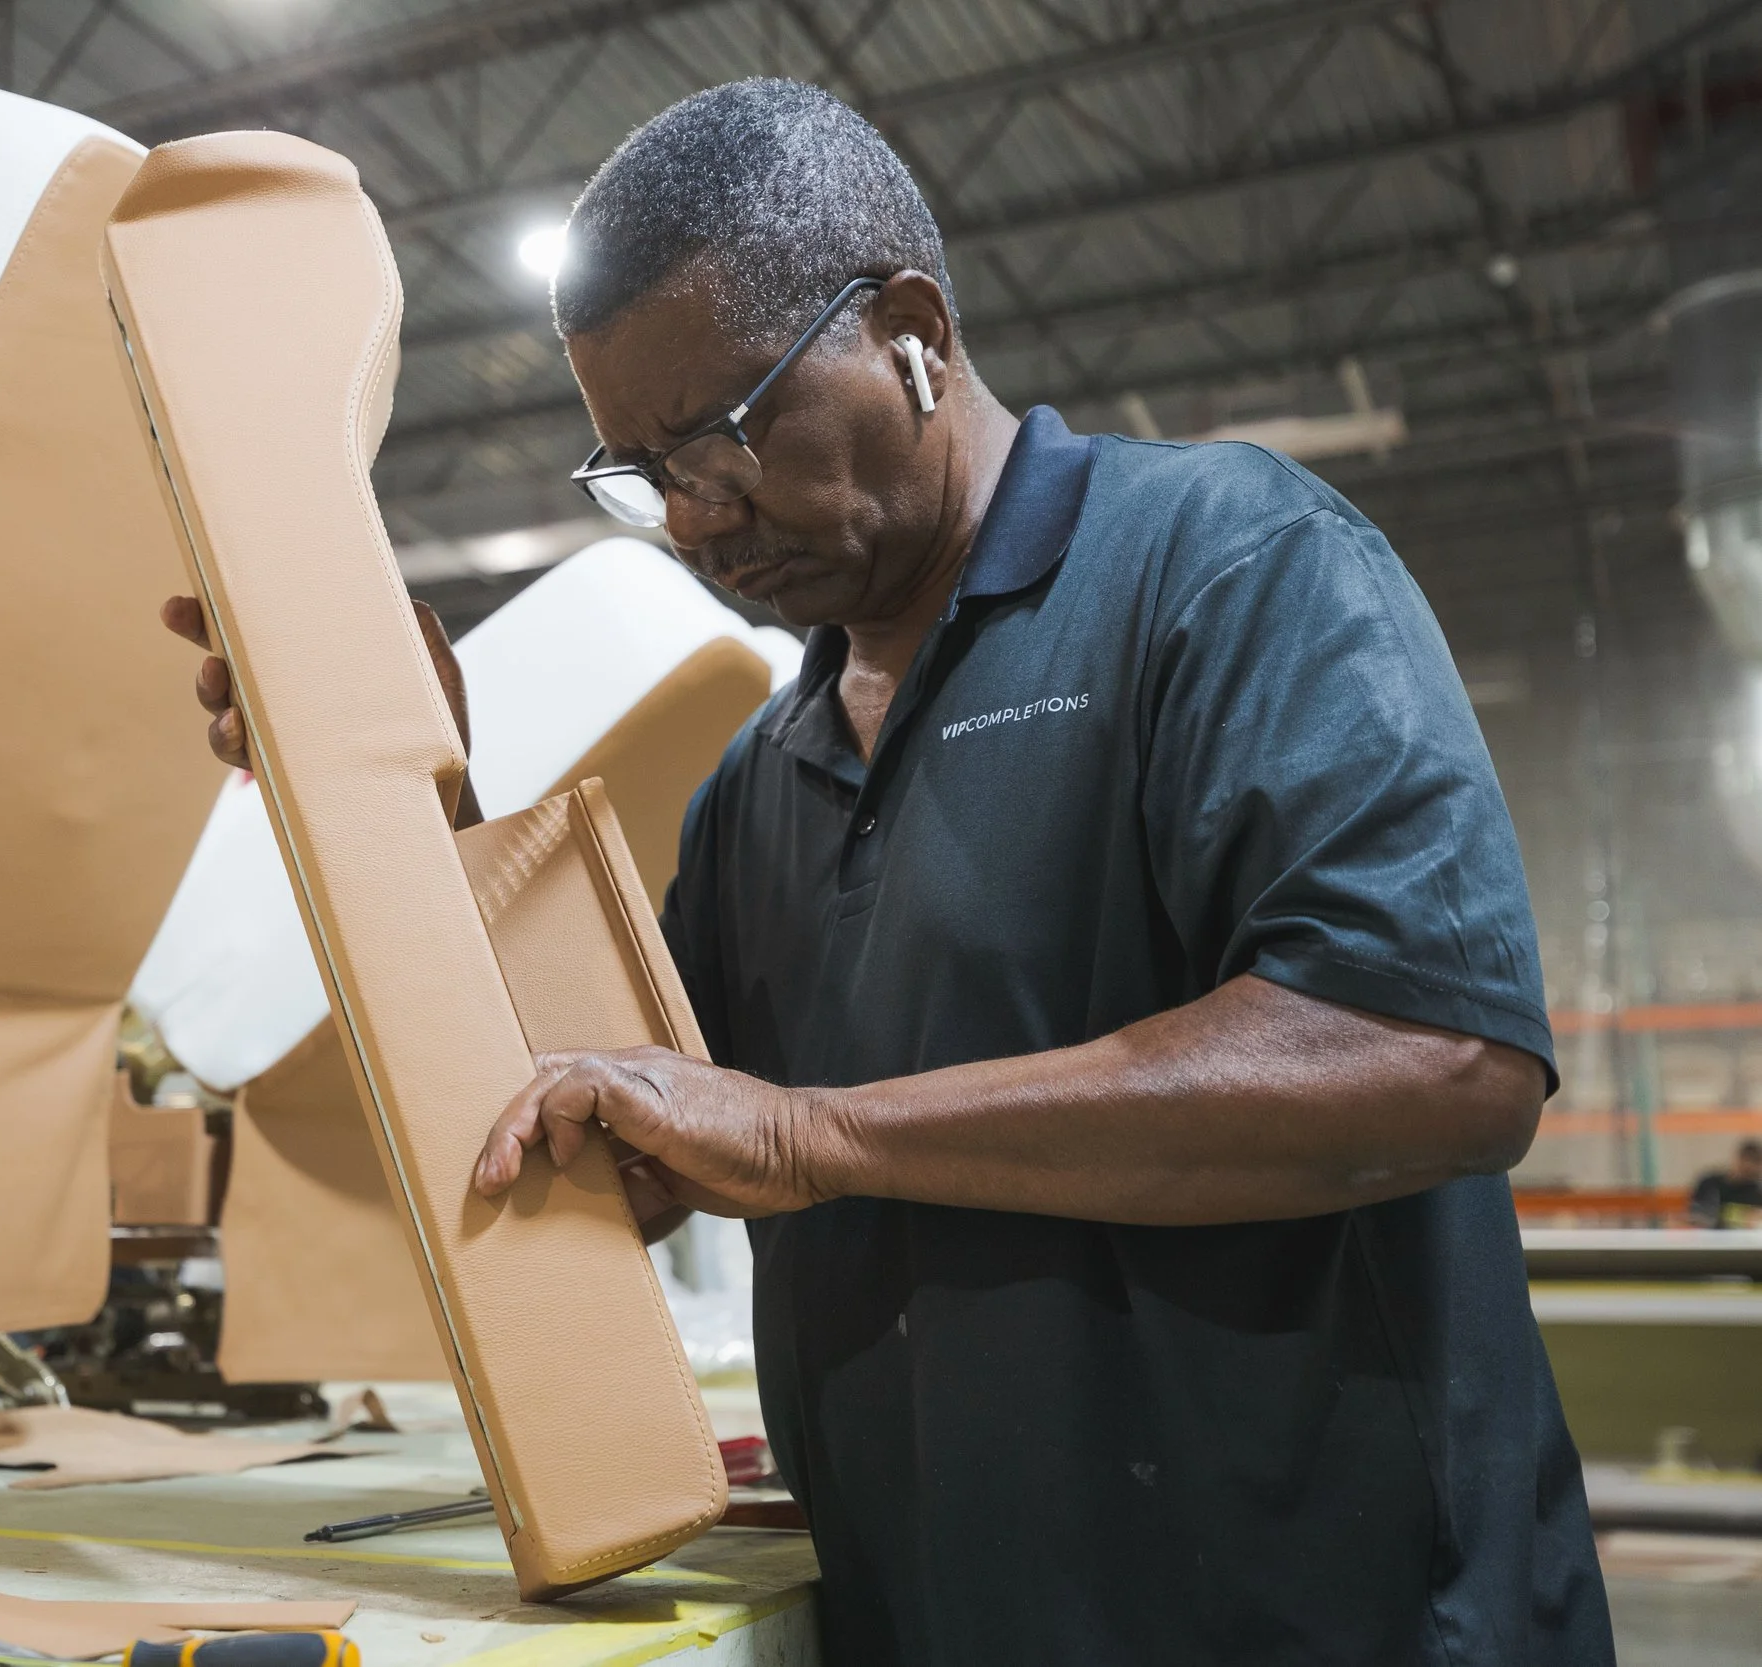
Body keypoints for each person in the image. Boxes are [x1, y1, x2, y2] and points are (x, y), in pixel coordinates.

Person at [166, 81, 1609, 1663]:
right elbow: (606, 1151)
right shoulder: (766, 781)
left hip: (1319, 1618)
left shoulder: (1223, 571)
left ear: (912, 331)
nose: (697, 521)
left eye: (723, 439)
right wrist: (399, 785)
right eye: (641, 471)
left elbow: (1434, 1056)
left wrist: (813, 1132)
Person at [1691, 1138, 1762, 1228]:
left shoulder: (1755, 1192)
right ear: (1738, 1159)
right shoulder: (1710, 1184)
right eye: (1747, 1161)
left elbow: (1756, 1218)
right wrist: (1741, 1216)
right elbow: (1697, 1214)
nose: (1750, 1167)